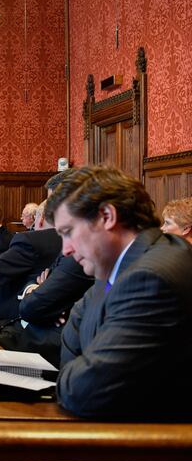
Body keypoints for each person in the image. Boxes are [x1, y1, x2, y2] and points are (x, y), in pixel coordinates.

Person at [46, 165, 192, 419]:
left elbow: (86, 390)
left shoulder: (150, 277)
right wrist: (79, 372)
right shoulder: (121, 264)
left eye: (68, 232)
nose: (65, 250)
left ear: (106, 216)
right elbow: (72, 336)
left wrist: (77, 374)